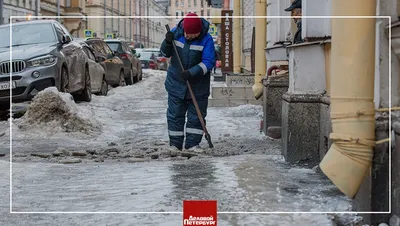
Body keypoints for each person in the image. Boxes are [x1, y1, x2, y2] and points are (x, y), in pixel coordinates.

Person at [160, 13, 216, 152]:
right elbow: (164, 53)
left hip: (198, 86)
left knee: (196, 117)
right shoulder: (175, 33)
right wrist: (167, 42)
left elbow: (209, 62)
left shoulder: (206, 39)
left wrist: (192, 72)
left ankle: (192, 145)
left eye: (193, 34)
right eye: (187, 33)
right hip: (176, 83)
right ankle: (175, 145)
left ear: (199, 31)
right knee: (175, 115)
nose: (189, 36)